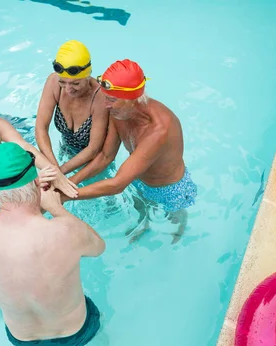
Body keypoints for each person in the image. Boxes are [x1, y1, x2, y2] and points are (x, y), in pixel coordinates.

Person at [0, 142, 105, 346]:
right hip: (73, 332)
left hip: (22, 338)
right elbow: (98, 247)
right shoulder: (64, 231)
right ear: (35, 181)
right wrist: (56, 208)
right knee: (99, 341)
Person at [63, 59, 197, 243]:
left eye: (111, 99)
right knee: (141, 209)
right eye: (105, 98)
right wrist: (67, 183)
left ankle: (180, 227)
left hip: (170, 188)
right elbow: (105, 156)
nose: (105, 105)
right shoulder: (118, 112)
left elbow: (118, 184)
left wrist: (63, 196)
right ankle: (145, 225)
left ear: (132, 99)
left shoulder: (159, 129)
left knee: (174, 218)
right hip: (138, 179)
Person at [35, 40, 109, 175]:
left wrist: (60, 172)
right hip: (65, 151)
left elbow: (93, 148)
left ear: (87, 76)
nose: (68, 89)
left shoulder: (100, 97)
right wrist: (53, 167)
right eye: (63, 82)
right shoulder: (53, 82)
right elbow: (40, 128)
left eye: (75, 83)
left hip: (94, 164)